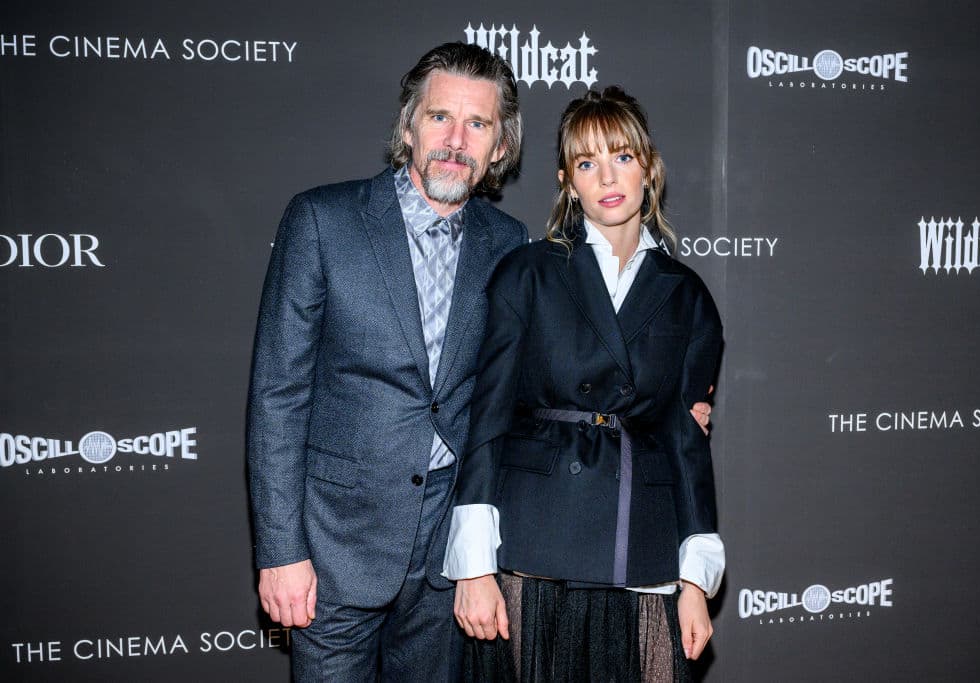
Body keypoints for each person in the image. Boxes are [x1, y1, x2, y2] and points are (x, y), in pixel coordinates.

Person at [246, 42, 527, 681]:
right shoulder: (323, 220)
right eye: (439, 117)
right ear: (407, 127)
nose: (456, 140)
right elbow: (277, 394)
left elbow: (518, 391)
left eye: (477, 124)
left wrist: (666, 401)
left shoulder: (509, 246)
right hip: (333, 551)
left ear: (500, 149)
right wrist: (281, 551)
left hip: (443, 563)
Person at [443, 86, 724, 681]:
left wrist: (696, 579)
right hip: (537, 540)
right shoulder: (528, 273)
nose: (608, 176)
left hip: (642, 545)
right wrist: (472, 567)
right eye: (587, 162)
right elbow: (487, 418)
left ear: (649, 167)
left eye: (622, 156)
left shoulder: (688, 296)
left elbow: (686, 442)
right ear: (568, 181)